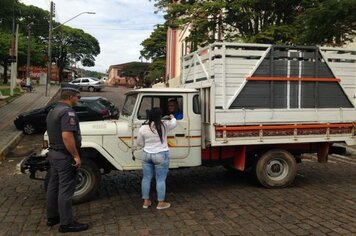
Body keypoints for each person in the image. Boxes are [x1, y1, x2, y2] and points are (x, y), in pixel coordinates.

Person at [46, 84, 89, 233]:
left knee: (54, 186)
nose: (78, 99)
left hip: (54, 153)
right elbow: (67, 135)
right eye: (78, 97)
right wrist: (76, 155)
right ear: (70, 97)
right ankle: (66, 223)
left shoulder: (53, 110)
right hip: (65, 156)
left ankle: (52, 217)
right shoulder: (68, 112)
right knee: (66, 190)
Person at [137, 107, 177, 210]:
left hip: (146, 155)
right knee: (160, 179)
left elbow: (139, 143)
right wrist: (172, 117)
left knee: (146, 178)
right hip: (161, 155)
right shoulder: (164, 125)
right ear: (160, 117)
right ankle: (160, 203)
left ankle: (146, 202)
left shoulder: (143, 128)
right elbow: (174, 123)